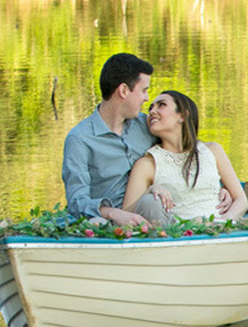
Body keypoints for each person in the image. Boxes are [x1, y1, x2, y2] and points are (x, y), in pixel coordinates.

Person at [61, 53, 232, 224]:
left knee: (152, 202)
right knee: (97, 223)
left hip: (152, 211)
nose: (147, 98)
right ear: (124, 91)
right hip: (109, 221)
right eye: (144, 90)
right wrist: (113, 213)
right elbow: (77, 201)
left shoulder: (146, 125)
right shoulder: (80, 139)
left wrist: (220, 187)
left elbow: (183, 151)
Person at [121, 90, 248, 223]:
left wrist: (222, 223)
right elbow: (127, 214)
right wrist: (150, 190)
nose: (152, 112)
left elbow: (241, 200)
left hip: (219, 231)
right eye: (150, 108)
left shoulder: (213, 150)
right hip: (177, 235)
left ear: (182, 115)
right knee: (149, 201)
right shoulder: (147, 164)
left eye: (162, 105)